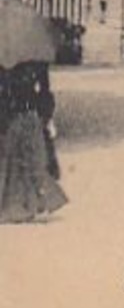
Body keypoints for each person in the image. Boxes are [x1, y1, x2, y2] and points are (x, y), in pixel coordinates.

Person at [0, 62, 68, 223]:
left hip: (11, 114)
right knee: (27, 162)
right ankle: (26, 205)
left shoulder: (7, 61)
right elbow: (45, 92)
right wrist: (46, 116)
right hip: (28, 113)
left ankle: (19, 205)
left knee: (14, 162)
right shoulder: (36, 60)